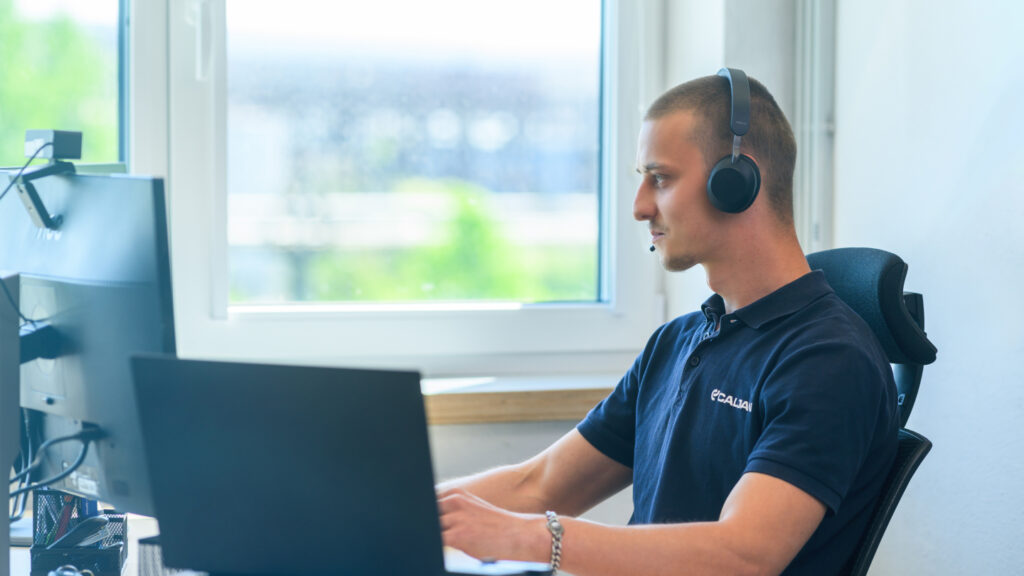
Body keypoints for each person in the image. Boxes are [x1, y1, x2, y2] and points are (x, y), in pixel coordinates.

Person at [436, 70, 898, 576]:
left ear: (737, 181)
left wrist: (530, 537)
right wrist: (389, 510)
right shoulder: (677, 342)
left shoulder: (828, 359)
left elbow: (743, 555)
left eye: (659, 178)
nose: (639, 207)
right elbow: (539, 483)